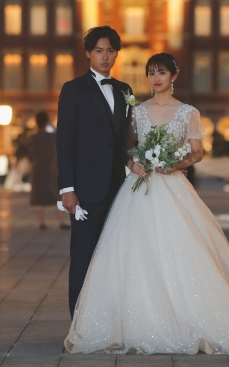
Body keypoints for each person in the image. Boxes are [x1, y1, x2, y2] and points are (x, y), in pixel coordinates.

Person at [64, 53, 229, 355]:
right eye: (150, 73)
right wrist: (134, 162)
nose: (155, 78)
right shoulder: (137, 111)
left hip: (173, 187)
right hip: (139, 189)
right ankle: (138, 320)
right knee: (135, 252)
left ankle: (187, 317)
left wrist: (175, 163)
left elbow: (197, 151)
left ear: (174, 75)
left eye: (161, 72)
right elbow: (128, 146)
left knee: (180, 249)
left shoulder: (188, 112)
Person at [58, 26, 134, 318]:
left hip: (119, 188)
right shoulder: (74, 89)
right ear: (88, 53)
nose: (105, 57)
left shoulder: (125, 90)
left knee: (113, 256)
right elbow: (64, 141)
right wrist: (67, 189)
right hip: (86, 190)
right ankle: (78, 322)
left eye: (111, 51)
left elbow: (126, 139)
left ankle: (107, 319)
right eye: (99, 51)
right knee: (83, 256)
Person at [28, 112, 69, 230]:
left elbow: (31, 153)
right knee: (55, 193)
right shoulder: (53, 136)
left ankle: (42, 222)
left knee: (38, 195)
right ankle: (61, 221)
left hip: (36, 168)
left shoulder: (32, 138)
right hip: (51, 168)